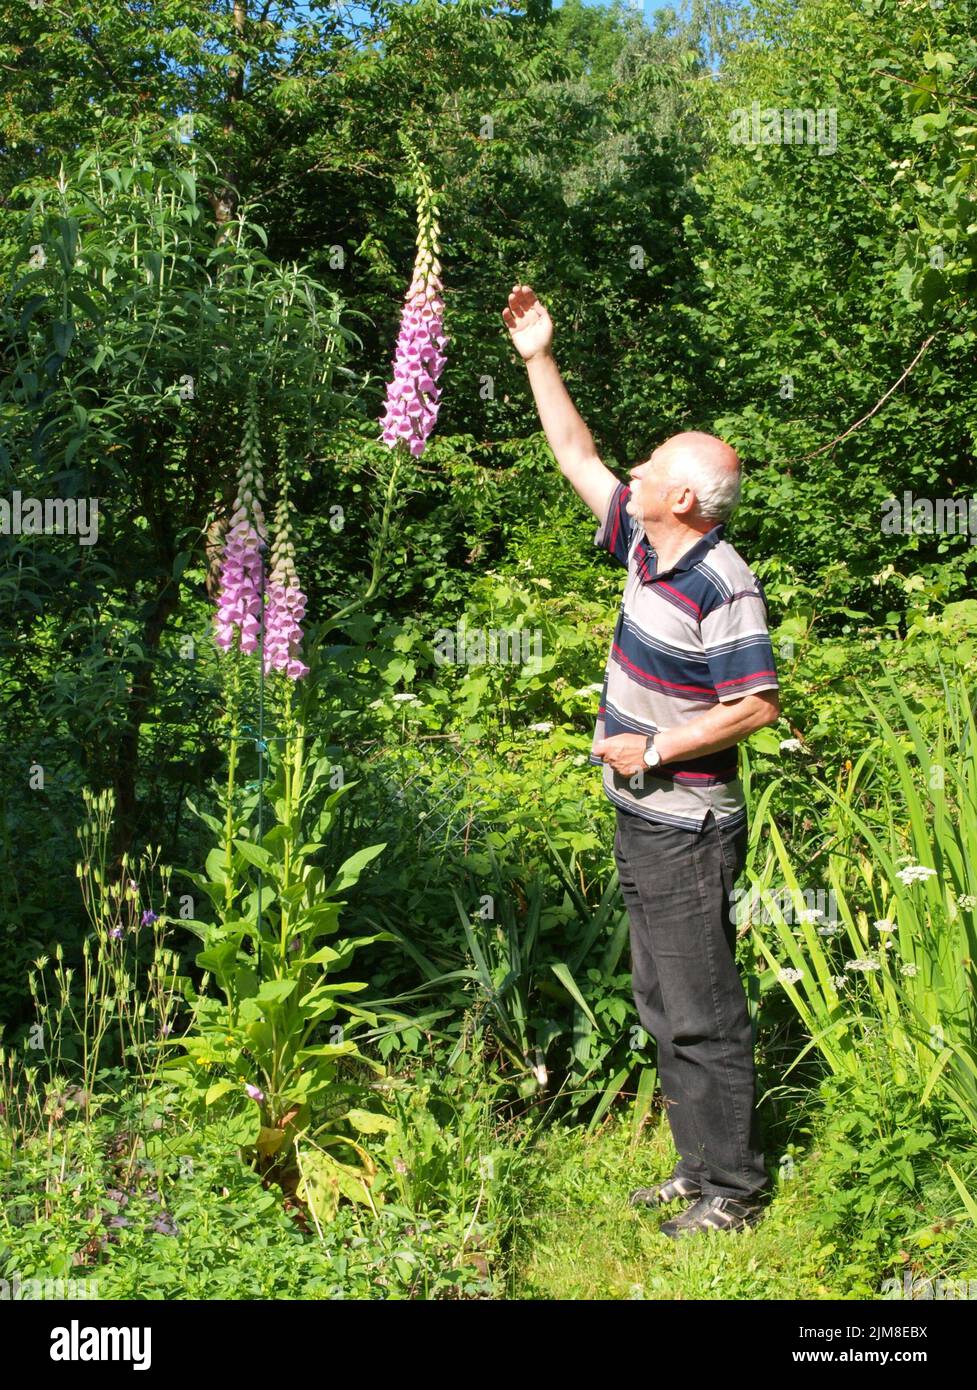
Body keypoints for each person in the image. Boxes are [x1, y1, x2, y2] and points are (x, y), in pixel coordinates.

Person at [502, 283, 781, 1237]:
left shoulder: (720, 579)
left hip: (689, 825)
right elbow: (574, 453)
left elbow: (754, 706)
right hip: (642, 813)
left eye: (656, 462)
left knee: (701, 1007)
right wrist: (539, 354)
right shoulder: (643, 546)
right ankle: (696, 1168)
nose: (638, 464)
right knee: (663, 1000)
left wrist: (656, 743)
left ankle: (733, 1195)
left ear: (687, 497)